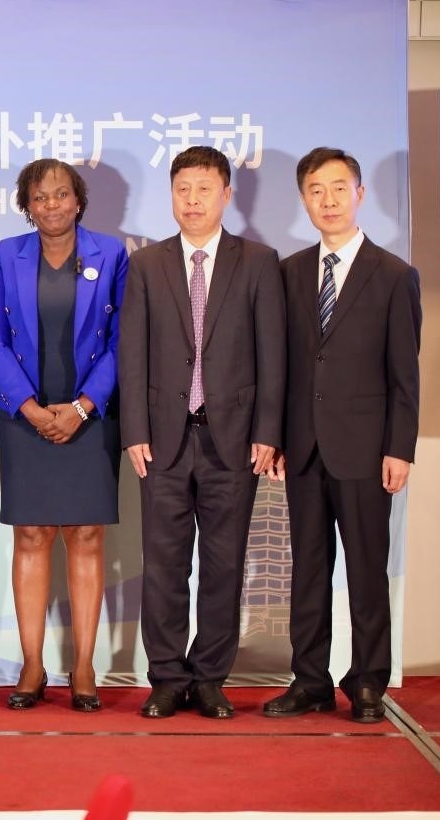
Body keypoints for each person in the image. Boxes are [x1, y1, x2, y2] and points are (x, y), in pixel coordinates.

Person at [118, 145, 285, 719]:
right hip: (162, 439)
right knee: (163, 566)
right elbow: (132, 353)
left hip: (233, 439)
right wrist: (134, 429)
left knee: (224, 565)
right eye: (182, 189)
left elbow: (273, 353)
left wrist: (268, 429)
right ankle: (167, 676)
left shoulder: (258, 261)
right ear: (171, 195)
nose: (192, 200)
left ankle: (211, 677)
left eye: (204, 189)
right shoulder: (147, 263)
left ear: (226, 195)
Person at [263, 148, 421, 724]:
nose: (327, 200)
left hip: (366, 449)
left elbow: (405, 374)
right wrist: (276, 436)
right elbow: (279, 366)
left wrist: (399, 447)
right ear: (303, 199)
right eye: (315, 190)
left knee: (366, 571)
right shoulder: (288, 272)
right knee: (308, 570)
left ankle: (368, 682)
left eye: (337, 188)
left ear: (359, 194)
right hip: (303, 448)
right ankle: (310, 681)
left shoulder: (395, 275)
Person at [0, 159, 127, 711]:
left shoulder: (111, 254)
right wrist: (31, 408)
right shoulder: (6, 255)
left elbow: (122, 340)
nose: (51, 206)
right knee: (32, 535)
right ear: (27, 205)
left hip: (92, 414)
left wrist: (83, 407)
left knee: (86, 536)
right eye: (40, 197)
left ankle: (84, 665)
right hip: (25, 417)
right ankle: (32, 664)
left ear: (78, 200)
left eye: (61, 194)